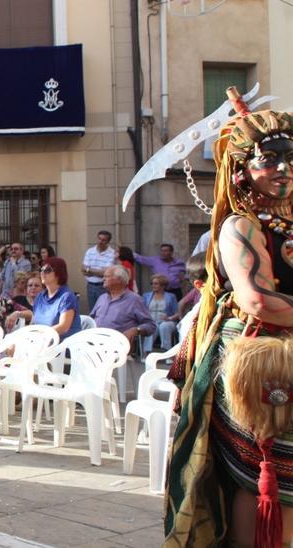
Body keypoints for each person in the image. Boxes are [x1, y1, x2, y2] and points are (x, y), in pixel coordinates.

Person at [164, 105, 293, 547]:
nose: (283, 168)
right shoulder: (240, 227)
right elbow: (256, 299)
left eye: (290, 157)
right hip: (263, 365)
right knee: (269, 480)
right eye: (270, 158)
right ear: (241, 168)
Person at [17, 257, 80, 340]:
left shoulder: (66, 297)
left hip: (63, 346)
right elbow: (35, 323)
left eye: (47, 270)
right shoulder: (40, 296)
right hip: (43, 343)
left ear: (59, 273)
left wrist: (39, 336)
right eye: (41, 270)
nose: (42, 273)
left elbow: (63, 327)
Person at [90, 265, 153, 347]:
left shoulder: (134, 300)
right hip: (93, 343)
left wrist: (136, 330)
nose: (103, 279)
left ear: (119, 279)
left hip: (117, 346)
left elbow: (150, 325)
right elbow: (90, 319)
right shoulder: (102, 298)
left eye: (106, 277)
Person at [81, 230, 117, 311]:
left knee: (103, 310)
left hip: (103, 286)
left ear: (108, 242)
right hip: (90, 286)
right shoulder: (90, 251)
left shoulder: (112, 253)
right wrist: (97, 271)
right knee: (92, 310)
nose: (100, 241)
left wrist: (89, 270)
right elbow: (83, 269)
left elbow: (105, 273)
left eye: (103, 240)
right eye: (99, 239)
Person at [143, 274, 179, 353]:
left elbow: (177, 314)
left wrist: (169, 318)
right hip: (151, 321)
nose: (153, 285)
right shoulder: (146, 296)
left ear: (163, 285)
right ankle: (147, 352)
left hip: (167, 321)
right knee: (152, 326)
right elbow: (141, 311)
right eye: (152, 283)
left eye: (156, 284)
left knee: (164, 326)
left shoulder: (171, 296)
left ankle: (167, 351)